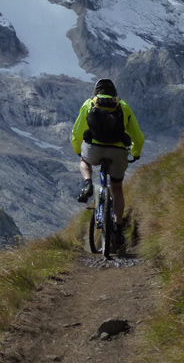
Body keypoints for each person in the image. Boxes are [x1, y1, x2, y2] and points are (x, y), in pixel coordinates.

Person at [71, 78, 145, 248]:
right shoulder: (123, 106)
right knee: (117, 189)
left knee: (84, 162)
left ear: (96, 92)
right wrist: (135, 153)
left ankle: (88, 183)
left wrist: (79, 150)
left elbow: (77, 132)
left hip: (93, 149)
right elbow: (138, 137)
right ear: (114, 93)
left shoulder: (89, 104)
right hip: (118, 152)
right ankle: (118, 229)